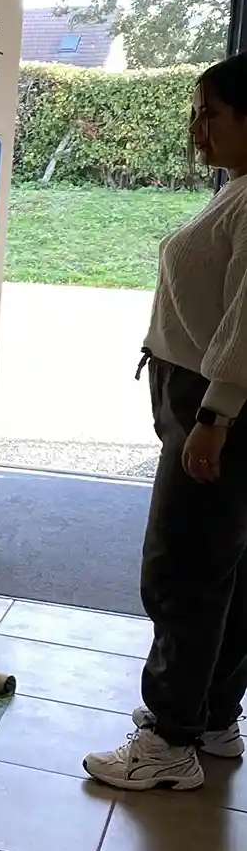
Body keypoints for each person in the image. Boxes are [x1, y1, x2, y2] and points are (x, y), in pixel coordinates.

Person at [84, 57, 247, 791]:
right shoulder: (237, 189)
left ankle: (169, 742)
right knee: (226, 569)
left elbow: (245, 322)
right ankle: (209, 716)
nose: (196, 129)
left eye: (210, 113)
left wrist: (215, 414)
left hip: (218, 410)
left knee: (183, 569)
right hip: (209, 403)